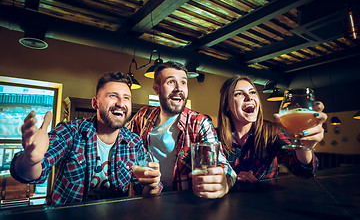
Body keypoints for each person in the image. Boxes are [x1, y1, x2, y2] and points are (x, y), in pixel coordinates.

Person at [10, 72, 161, 205]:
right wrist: (31, 161)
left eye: (126, 98)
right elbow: (29, 174)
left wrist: (152, 186)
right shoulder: (71, 132)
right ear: (95, 103)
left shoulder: (134, 143)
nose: (121, 103)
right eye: (113, 96)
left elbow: (145, 190)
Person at [127, 61, 236, 199]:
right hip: (148, 200)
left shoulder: (199, 123)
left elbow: (223, 166)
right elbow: (121, 139)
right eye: (171, 82)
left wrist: (224, 182)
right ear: (156, 89)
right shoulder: (143, 116)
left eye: (183, 82)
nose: (179, 88)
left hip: (184, 203)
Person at [217, 75, 327, 183]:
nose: (249, 97)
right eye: (239, 93)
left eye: (252, 92)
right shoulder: (214, 137)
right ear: (226, 105)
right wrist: (231, 178)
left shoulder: (271, 132)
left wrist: (305, 147)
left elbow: (304, 172)